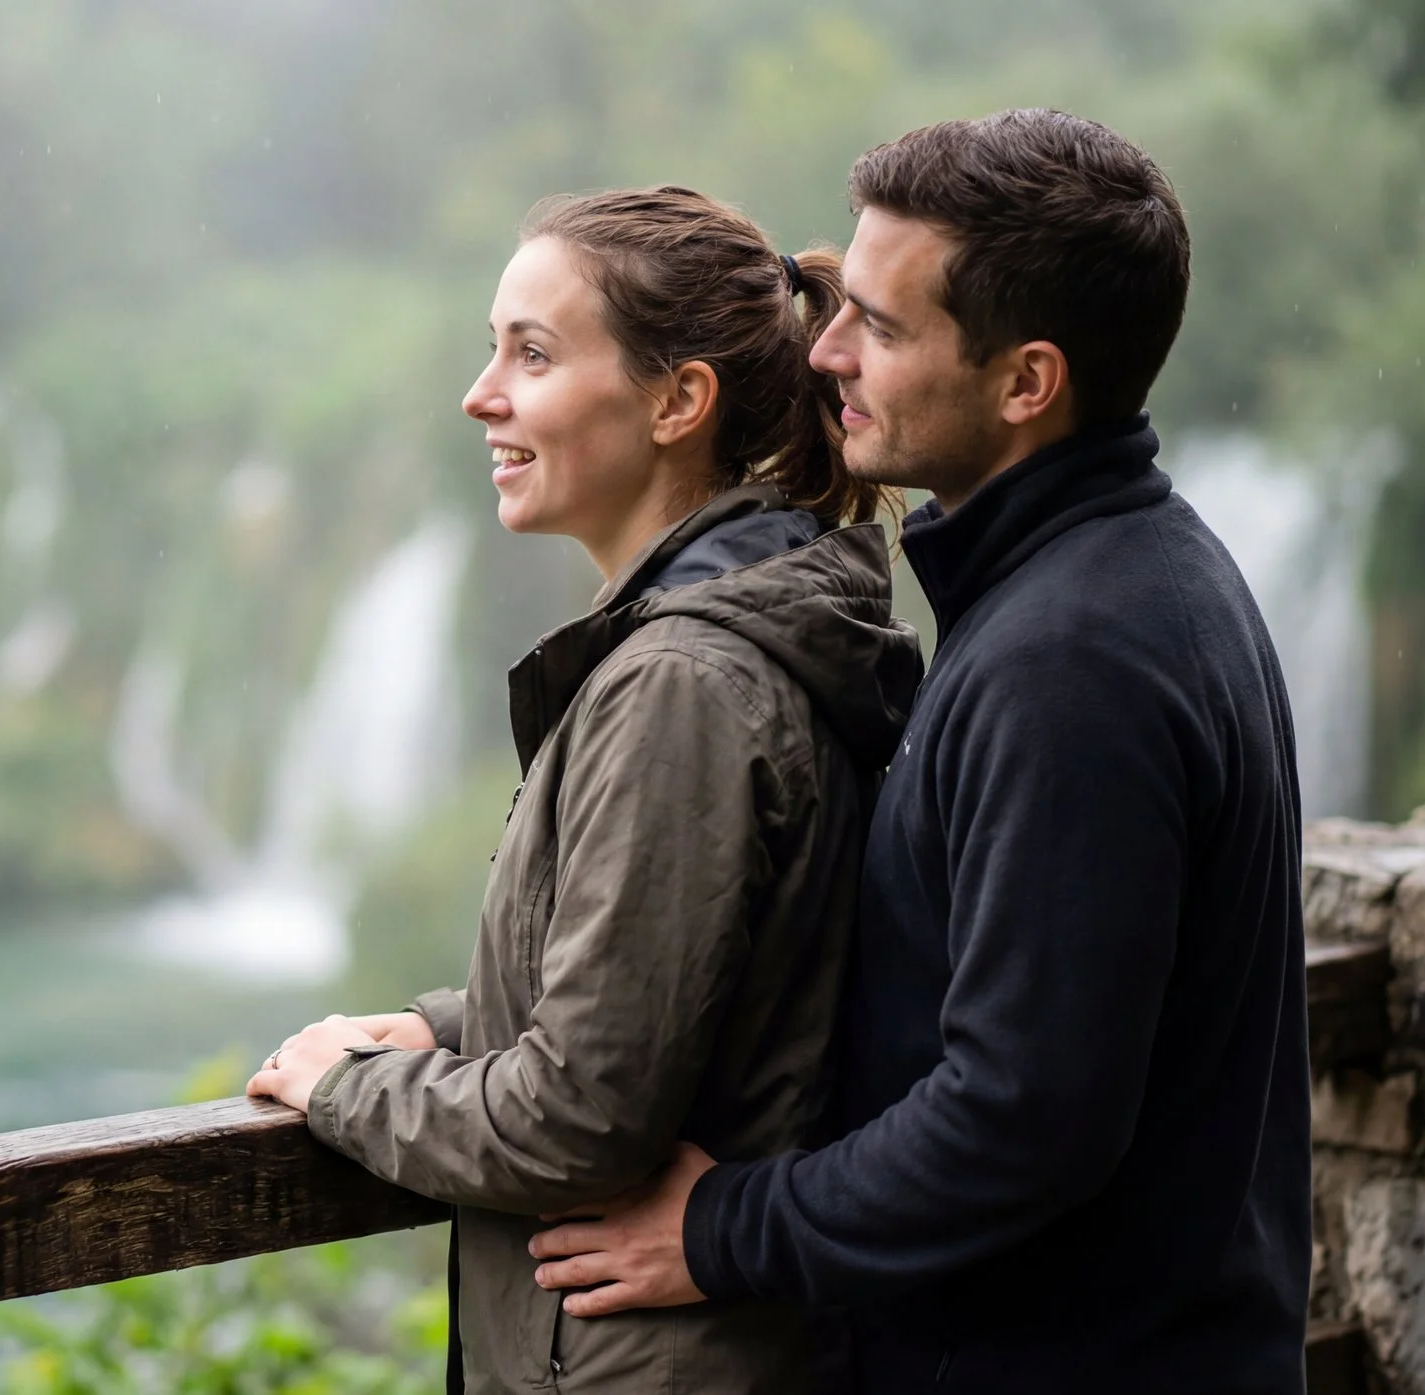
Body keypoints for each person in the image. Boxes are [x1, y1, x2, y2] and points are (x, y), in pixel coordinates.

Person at [525, 109, 1311, 1393]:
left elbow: (1023, 1121)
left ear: (1025, 382)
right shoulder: (1138, 575)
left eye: (881, 327)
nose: (824, 347)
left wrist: (726, 1229)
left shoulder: (1071, 662)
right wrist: (479, 1024)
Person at [245, 186, 922, 1393]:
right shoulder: (728, 639)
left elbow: (582, 1116)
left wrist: (350, 1089)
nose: (481, 393)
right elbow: (686, 996)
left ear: (677, 401)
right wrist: (445, 1029)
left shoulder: (685, 685)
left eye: (533, 354)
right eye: (491, 346)